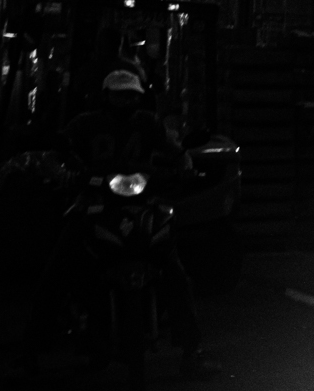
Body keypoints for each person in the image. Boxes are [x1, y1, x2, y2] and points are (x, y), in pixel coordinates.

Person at [33, 68, 206, 374]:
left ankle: (192, 351)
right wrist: (62, 174)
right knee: (58, 266)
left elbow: (177, 152)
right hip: (94, 201)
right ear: (106, 96)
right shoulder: (85, 124)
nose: (126, 101)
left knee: (174, 269)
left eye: (132, 95)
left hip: (142, 204)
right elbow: (51, 156)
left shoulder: (148, 123)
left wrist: (185, 166)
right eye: (120, 95)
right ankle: (34, 345)